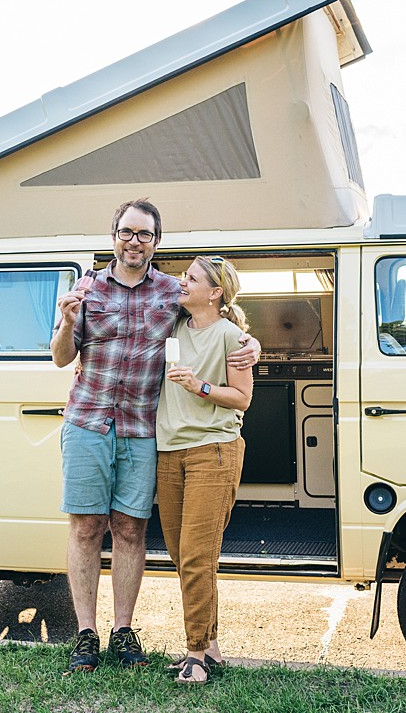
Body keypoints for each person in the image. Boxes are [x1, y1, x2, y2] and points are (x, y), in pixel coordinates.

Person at [50, 200, 260, 674]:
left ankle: (124, 631)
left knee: (130, 529)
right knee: (85, 527)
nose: (134, 241)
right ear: (113, 236)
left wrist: (251, 343)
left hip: (144, 429)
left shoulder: (171, 292)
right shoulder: (85, 289)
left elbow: (220, 321)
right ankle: (86, 634)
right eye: (127, 232)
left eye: (144, 234)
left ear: (156, 242)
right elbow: (62, 358)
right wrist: (66, 322)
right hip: (87, 421)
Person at [155, 256, 253, 684]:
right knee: (184, 556)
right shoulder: (172, 328)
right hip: (169, 451)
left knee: (196, 556)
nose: (182, 281)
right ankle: (210, 645)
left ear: (215, 293)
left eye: (191, 278)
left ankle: (195, 653)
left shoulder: (232, 337)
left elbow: (242, 398)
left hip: (212, 451)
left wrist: (200, 387)